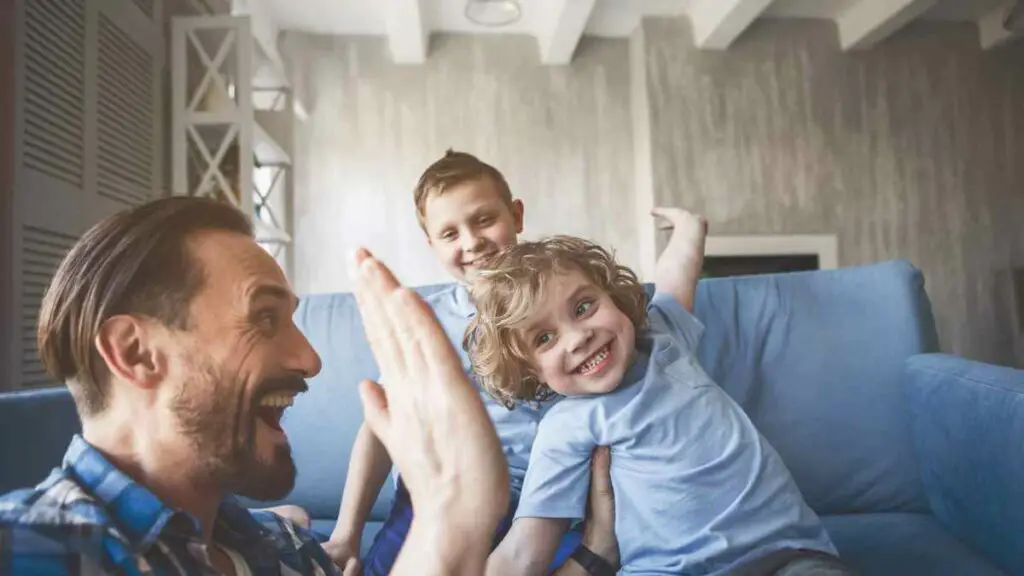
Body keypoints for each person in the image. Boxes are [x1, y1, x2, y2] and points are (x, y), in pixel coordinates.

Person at [0, 196, 612, 575]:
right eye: (265, 317)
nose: (312, 359)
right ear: (136, 353)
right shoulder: (34, 545)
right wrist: (447, 527)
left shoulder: (285, 550)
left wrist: (454, 521)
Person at [466, 209, 855, 575]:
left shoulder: (663, 339)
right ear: (531, 372)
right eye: (545, 338)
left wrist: (689, 230)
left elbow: (674, 280)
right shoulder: (565, 427)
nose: (578, 337)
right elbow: (525, 551)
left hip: (785, 553)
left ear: (614, 299)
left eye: (584, 306)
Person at [325, 151, 614, 575]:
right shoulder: (429, 319)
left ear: (516, 214)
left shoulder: (566, 304)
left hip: (546, 505)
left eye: (483, 220)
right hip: (442, 493)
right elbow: (381, 425)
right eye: (449, 233)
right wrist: (346, 533)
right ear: (432, 245)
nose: (471, 242)